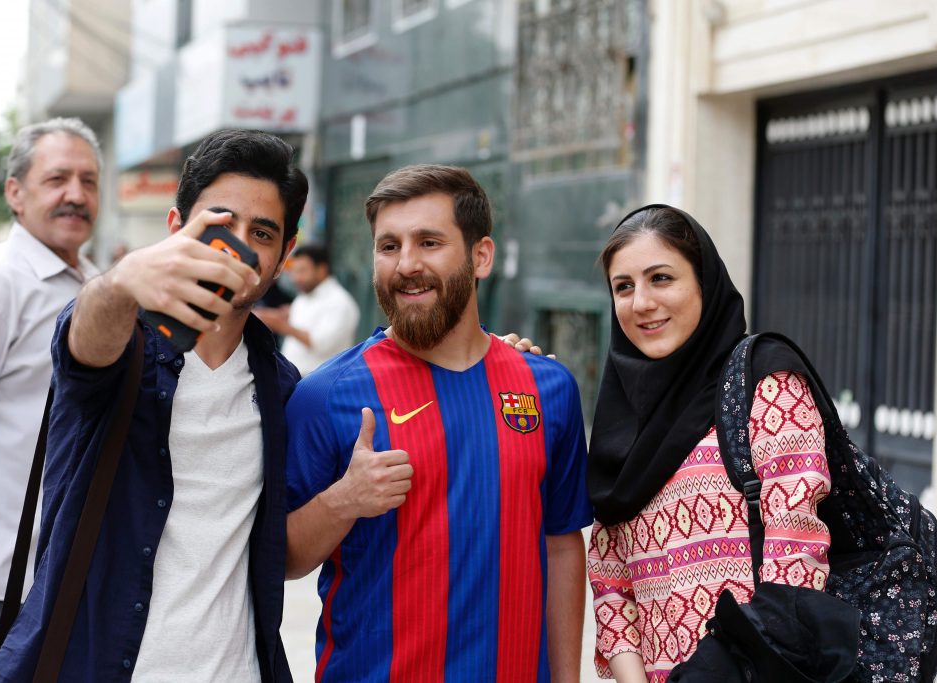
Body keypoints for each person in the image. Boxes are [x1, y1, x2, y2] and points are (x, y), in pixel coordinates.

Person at [0, 129, 308, 682]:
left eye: (261, 232)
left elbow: (285, 549)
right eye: (219, 222)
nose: (238, 244)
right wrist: (121, 284)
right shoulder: (122, 344)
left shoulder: (281, 386)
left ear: (284, 255)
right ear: (176, 228)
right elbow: (84, 345)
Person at [284, 164, 593, 682]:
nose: (406, 264)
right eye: (388, 246)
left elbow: (562, 544)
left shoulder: (549, 390)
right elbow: (279, 560)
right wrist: (344, 501)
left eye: (429, 242)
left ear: (481, 256)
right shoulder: (324, 396)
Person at [585, 205, 833, 681]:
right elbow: (611, 583)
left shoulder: (765, 383)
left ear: (704, 282)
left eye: (661, 278)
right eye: (624, 286)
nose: (641, 302)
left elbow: (796, 556)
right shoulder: (622, 419)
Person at [0, 117, 101, 669]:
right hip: (0, 579)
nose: (75, 195)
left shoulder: (96, 285)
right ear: (15, 193)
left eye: (88, 181)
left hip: (70, 573)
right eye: (57, 178)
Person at [255, 243, 360, 372]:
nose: (296, 278)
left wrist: (282, 326)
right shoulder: (303, 296)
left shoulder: (340, 302)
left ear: (321, 270)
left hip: (320, 386)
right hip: (295, 381)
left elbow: (322, 344)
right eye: (294, 272)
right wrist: (282, 315)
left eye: (302, 271)